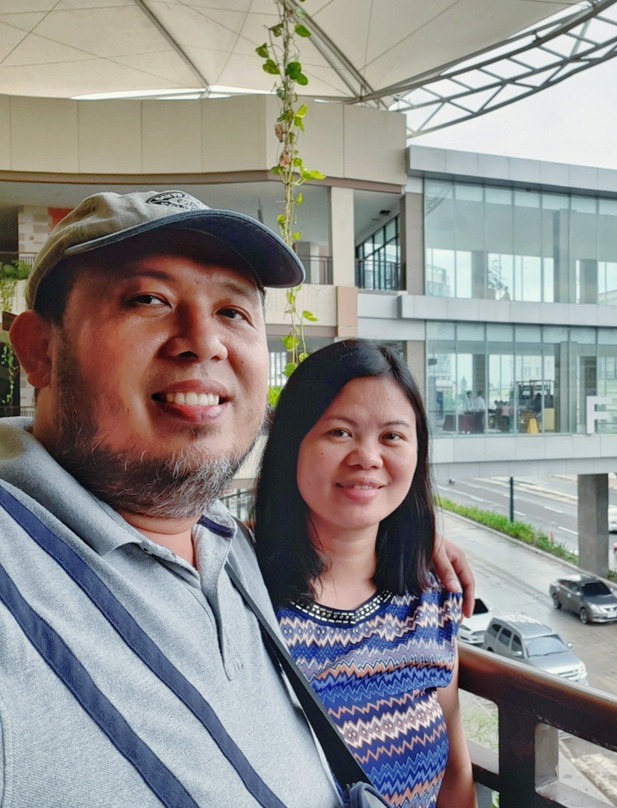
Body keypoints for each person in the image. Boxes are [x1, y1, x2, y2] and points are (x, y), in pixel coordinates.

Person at [0, 189, 474, 806]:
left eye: (234, 312)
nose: (204, 341)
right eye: (149, 299)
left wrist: (413, 533)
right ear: (40, 348)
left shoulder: (224, 545)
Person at [254, 340, 476, 808]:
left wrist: (424, 537)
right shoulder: (240, 585)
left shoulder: (430, 602)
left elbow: (456, 779)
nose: (367, 457)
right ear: (292, 442)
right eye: (339, 432)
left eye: (392, 436)